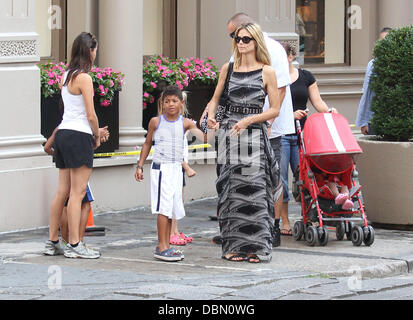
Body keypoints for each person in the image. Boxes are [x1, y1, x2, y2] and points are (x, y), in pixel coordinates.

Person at [207, 23, 281, 263]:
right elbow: (215, 99)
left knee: (255, 192)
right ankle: (232, 246)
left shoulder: (267, 71)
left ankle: (257, 248)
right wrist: (210, 117)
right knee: (232, 193)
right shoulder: (227, 69)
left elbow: (275, 110)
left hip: (254, 138)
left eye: (246, 39)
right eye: (238, 38)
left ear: (256, 42)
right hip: (230, 137)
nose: (240, 43)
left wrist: (249, 120)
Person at [226, 13, 295, 247]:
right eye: (235, 38)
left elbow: (281, 90)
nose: (237, 41)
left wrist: (266, 123)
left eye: (236, 35)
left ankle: (273, 227)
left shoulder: (273, 49)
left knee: (270, 179)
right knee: (242, 182)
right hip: (242, 133)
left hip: (267, 130)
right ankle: (244, 230)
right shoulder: (238, 52)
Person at [44, 32, 101, 259]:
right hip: (79, 135)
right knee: (77, 193)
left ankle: (53, 241)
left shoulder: (66, 75)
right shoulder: (85, 78)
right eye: (95, 49)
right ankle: (75, 244)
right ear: (90, 50)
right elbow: (90, 114)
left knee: (62, 191)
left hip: (64, 134)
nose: (96, 53)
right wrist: (96, 135)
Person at [135, 85, 206, 262]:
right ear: (162, 103)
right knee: (162, 208)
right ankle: (161, 247)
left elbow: (205, 137)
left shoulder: (185, 123)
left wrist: (210, 124)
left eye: (174, 101)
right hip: (161, 169)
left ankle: (167, 245)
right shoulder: (155, 122)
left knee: (171, 208)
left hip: (176, 169)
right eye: (167, 101)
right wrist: (139, 165)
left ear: (181, 103)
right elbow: (147, 144)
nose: (171, 104)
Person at [279, 42, 337, 235]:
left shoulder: (306, 77)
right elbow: (270, 108)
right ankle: (284, 220)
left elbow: (317, 101)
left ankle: (308, 217)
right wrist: (290, 115)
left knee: (305, 178)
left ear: (291, 56)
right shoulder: (274, 77)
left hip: (303, 135)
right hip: (281, 134)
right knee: (282, 180)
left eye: (282, 55)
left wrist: (329, 112)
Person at [43, 124, 109, 255]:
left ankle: (59, 241)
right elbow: (88, 144)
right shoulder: (80, 127)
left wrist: (64, 157)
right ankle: (76, 242)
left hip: (66, 158)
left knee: (63, 200)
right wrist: (96, 134)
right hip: (77, 163)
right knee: (83, 203)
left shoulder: (61, 128)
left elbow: (47, 147)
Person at [356, 27, 392, 135]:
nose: (383, 44)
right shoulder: (373, 64)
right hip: (375, 118)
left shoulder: (403, 63)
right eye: (381, 41)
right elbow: (367, 93)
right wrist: (364, 121)